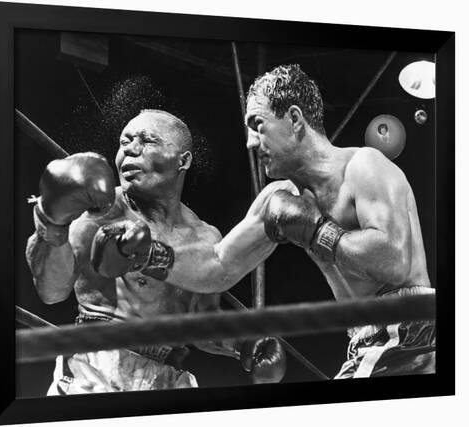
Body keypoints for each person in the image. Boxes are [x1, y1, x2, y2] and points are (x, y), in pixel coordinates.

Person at [162, 65, 435, 379]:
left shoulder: (364, 166)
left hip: (411, 333)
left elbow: (395, 262)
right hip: (366, 338)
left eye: (257, 125)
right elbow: (217, 266)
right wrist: (150, 254)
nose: (251, 142)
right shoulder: (277, 198)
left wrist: (318, 230)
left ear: (294, 119)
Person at [25, 109, 286, 394]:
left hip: (167, 375)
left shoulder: (204, 236)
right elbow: (51, 292)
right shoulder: (101, 212)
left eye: (147, 141)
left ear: (182, 160)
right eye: (125, 142)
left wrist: (242, 344)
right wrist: (51, 223)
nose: (130, 151)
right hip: (96, 365)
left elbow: (200, 324)